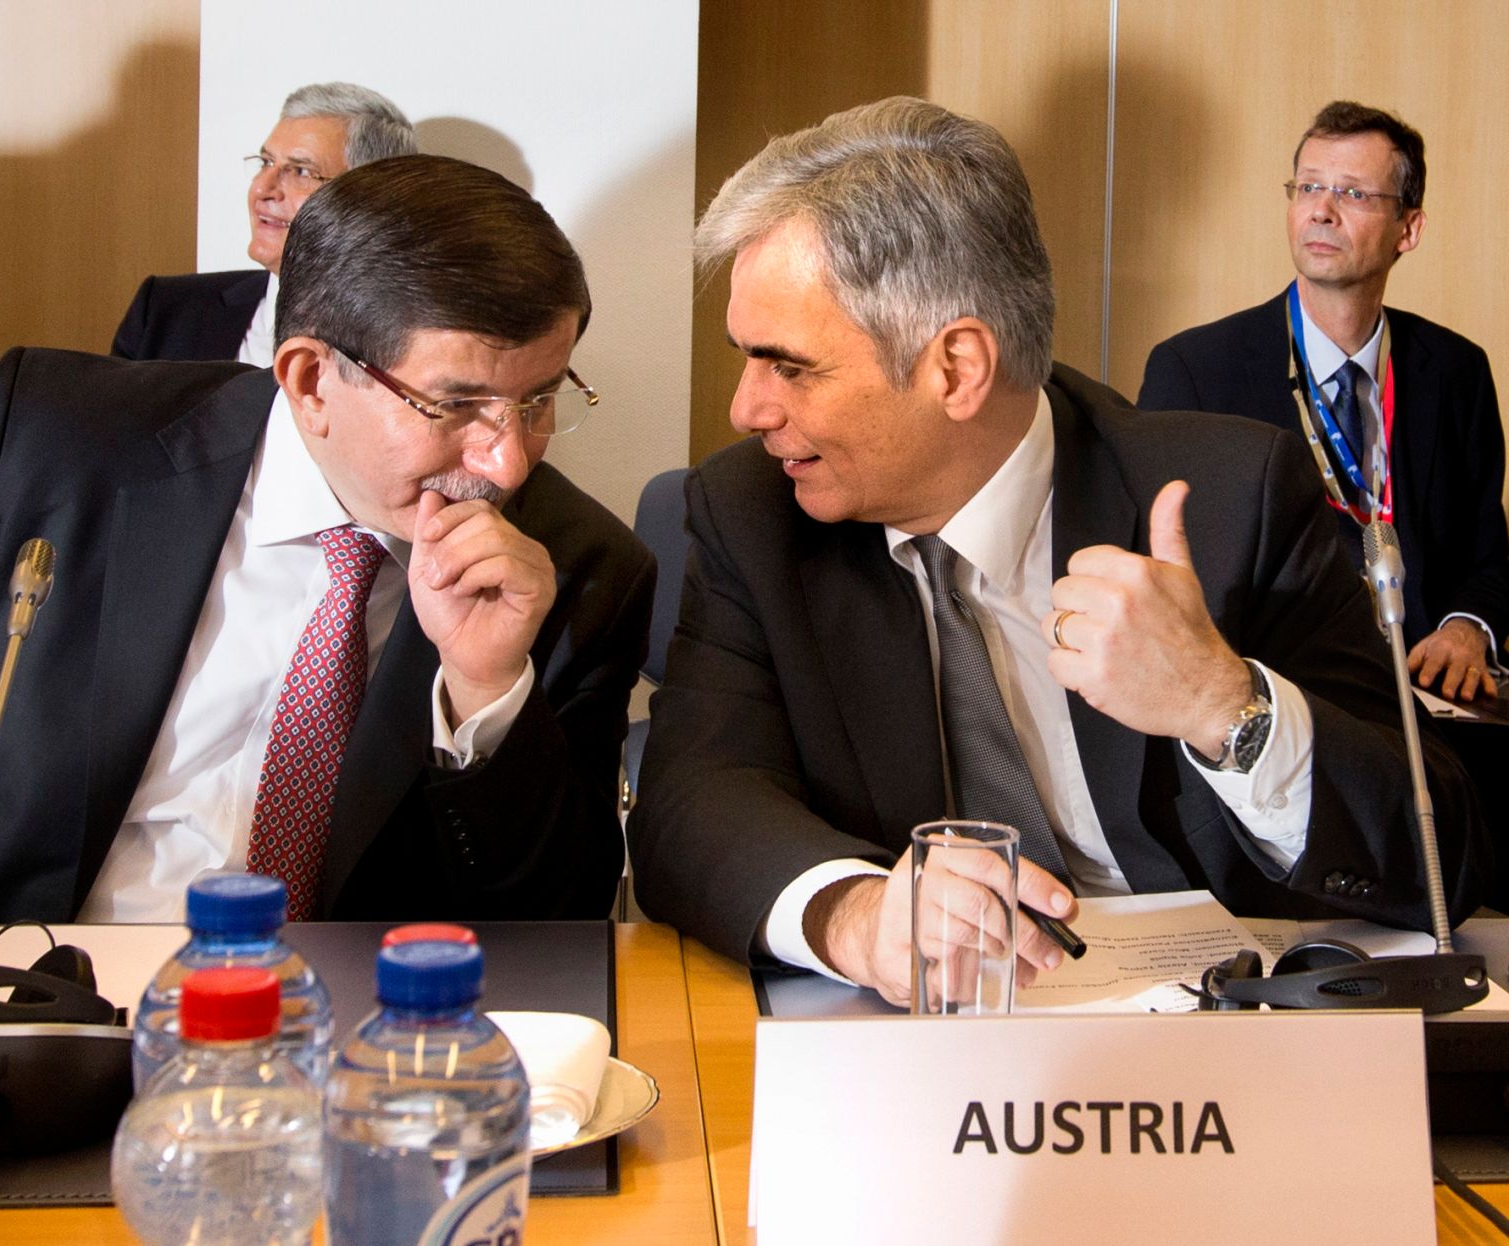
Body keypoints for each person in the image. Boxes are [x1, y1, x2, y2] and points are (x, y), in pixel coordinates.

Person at [625, 97, 1489, 1006]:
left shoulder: (1231, 504)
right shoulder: (755, 511)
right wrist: (855, 915)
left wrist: (1224, 706)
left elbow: (1447, 859)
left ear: (955, 367)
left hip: (1213, 1077)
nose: (747, 409)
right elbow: (691, 801)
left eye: (788, 365)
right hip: (912, 1057)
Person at [0, 154, 654, 927]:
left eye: (539, 400)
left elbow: (555, 922)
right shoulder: (52, 445)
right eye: (455, 406)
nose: (503, 462)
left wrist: (484, 692)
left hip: (330, 1045)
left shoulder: (576, 567)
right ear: (307, 380)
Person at [1139, 101, 1508, 703]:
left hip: (1427, 704)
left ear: (1408, 229)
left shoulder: (1457, 370)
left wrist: (1466, 629)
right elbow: (1167, 573)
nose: (1321, 211)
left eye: (1354, 194)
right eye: (1308, 186)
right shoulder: (1195, 371)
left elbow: (1487, 559)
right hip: (1274, 704)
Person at [110, 81, 416, 364]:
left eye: (301, 172)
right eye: (266, 163)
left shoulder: (412, 333)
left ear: (369, 196)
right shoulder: (168, 312)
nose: (262, 189)